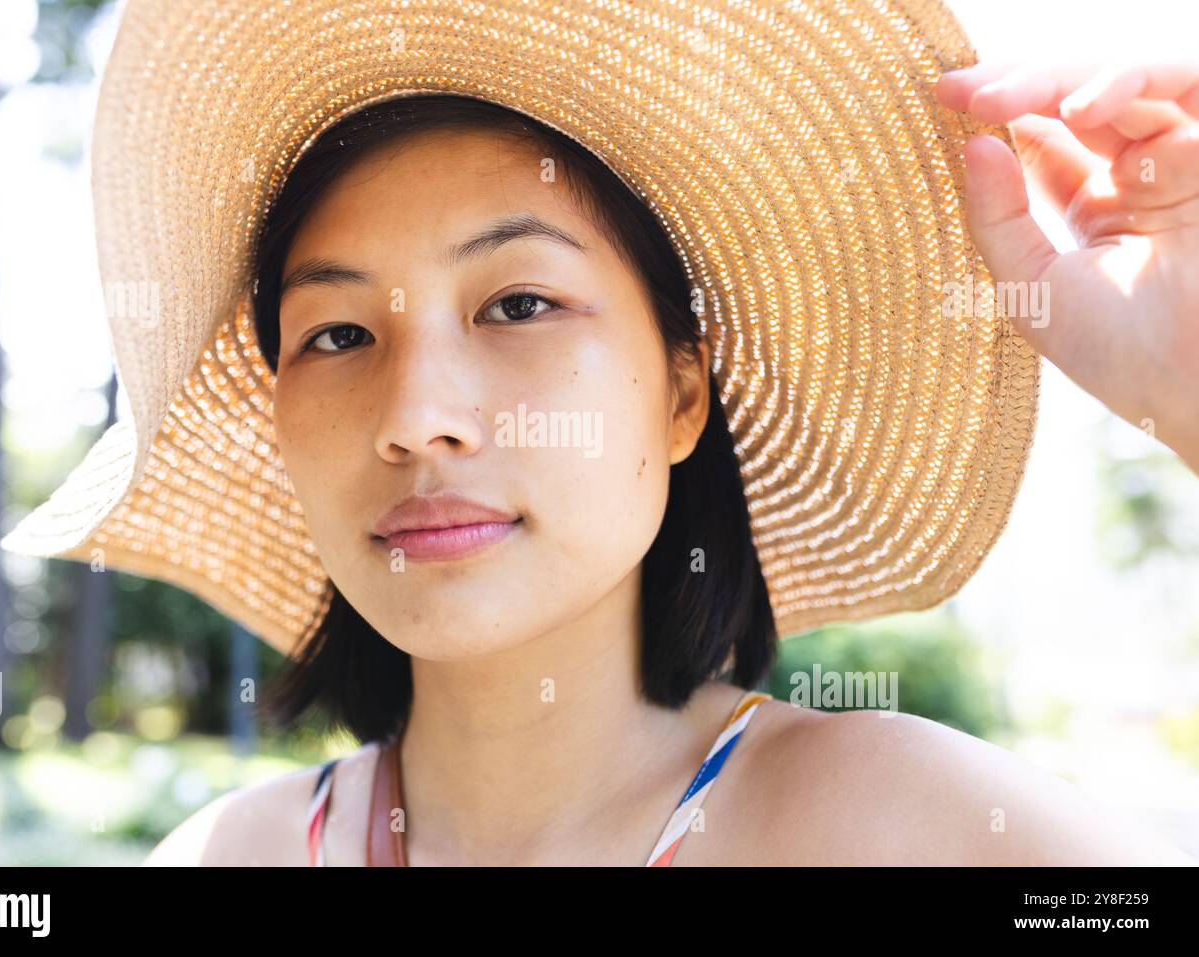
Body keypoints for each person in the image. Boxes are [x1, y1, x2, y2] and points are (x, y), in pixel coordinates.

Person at [135, 59, 1198, 865]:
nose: (415, 419)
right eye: (336, 334)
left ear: (682, 395)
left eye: (518, 304)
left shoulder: (903, 826)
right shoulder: (224, 856)